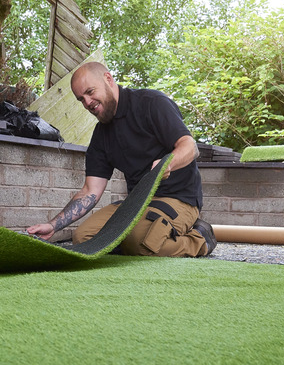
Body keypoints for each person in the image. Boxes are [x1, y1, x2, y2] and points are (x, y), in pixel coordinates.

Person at [27, 62, 217, 257]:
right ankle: (135, 243)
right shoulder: (101, 135)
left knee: (140, 243)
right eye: (81, 99)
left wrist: (168, 163)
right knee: (83, 238)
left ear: (108, 79)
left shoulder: (151, 103)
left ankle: (200, 239)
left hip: (179, 198)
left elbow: (189, 146)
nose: (88, 102)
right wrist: (53, 226)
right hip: (136, 203)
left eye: (90, 92)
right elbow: (90, 191)